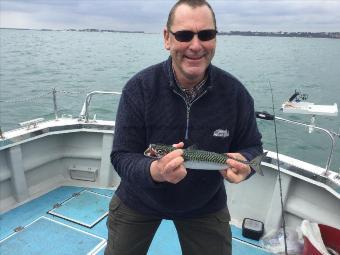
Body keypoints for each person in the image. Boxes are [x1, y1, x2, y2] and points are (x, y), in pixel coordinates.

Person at [105, 0, 263, 254]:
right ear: (167, 38)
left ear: (215, 38)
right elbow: (121, 155)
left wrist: (247, 164)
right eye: (184, 35)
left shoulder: (235, 94)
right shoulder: (139, 89)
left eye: (206, 35)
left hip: (205, 204)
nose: (196, 45)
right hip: (139, 198)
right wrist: (155, 170)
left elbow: (252, 146)